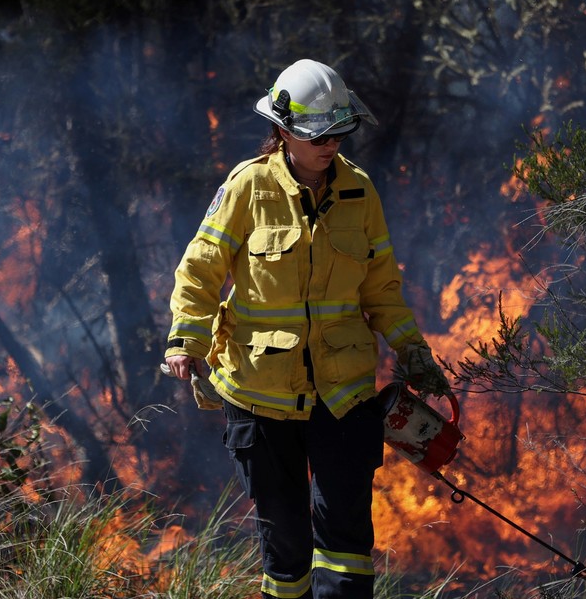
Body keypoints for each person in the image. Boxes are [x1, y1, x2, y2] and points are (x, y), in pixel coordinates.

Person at [164, 58, 451, 599]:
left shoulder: (360, 192)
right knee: (286, 545)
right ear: (283, 131)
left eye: (341, 133)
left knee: (346, 541)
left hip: (343, 395)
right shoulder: (247, 187)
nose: (332, 145)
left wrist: (412, 350)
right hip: (259, 394)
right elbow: (200, 269)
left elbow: (382, 288)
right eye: (319, 135)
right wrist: (187, 339)